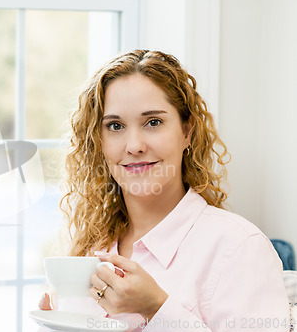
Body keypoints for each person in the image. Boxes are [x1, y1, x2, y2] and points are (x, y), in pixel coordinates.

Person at [38, 50, 289, 331]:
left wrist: (156, 307)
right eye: (115, 126)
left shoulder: (240, 248)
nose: (134, 145)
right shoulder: (89, 248)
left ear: (187, 132)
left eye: (153, 122)